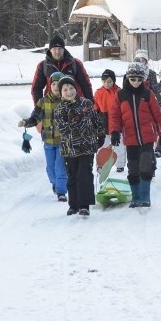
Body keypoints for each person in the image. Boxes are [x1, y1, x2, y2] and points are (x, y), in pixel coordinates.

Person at [109, 62, 161, 208]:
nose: (135, 82)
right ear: (128, 78)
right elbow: (115, 116)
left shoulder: (148, 94)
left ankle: (145, 196)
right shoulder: (120, 95)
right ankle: (136, 196)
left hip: (147, 137)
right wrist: (115, 132)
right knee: (133, 168)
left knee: (145, 166)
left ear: (143, 80)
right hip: (131, 138)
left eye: (139, 80)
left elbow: (157, 115)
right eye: (132, 79)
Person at [53, 76, 101, 217]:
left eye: (71, 88)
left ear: (76, 88)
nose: (69, 92)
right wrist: (78, 119)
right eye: (65, 90)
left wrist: (101, 133)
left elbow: (95, 120)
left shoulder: (86, 103)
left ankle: (84, 205)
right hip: (70, 148)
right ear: (61, 93)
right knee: (72, 176)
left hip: (87, 146)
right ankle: (73, 205)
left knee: (84, 175)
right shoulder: (60, 109)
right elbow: (63, 128)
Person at [18, 71, 68, 202]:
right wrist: (26, 122)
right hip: (48, 141)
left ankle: (61, 192)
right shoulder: (43, 102)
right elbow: (35, 117)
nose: (56, 87)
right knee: (50, 168)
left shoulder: (66, 102)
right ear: (49, 86)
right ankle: (55, 183)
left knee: (60, 167)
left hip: (63, 142)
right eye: (54, 84)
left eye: (59, 84)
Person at [31, 35, 93, 104]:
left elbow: (86, 85)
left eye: (60, 48)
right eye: (54, 49)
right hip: (51, 105)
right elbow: (36, 88)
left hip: (74, 105)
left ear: (64, 49)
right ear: (50, 50)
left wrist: (90, 104)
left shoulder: (75, 63)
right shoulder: (42, 66)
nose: (57, 51)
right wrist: (38, 107)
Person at [93, 69, 124, 172]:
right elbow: (95, 108)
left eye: (109, 81)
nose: (107, 84)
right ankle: (100, 164)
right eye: (104, 81)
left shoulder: (119, 92)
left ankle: (120, 165)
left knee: (118, 145)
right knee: (103, 145)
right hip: (103, 122)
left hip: (116, 122)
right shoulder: (98, 93)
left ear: (114, 81)